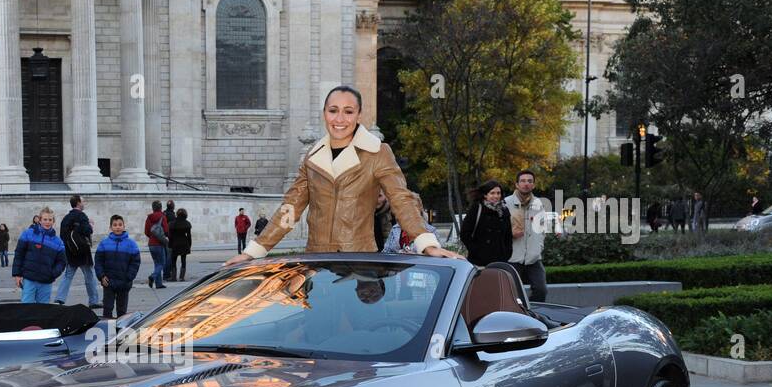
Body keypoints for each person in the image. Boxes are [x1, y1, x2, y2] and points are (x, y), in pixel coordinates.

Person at [229, 85, 461, 263]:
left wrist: (426, 243)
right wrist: (254, 251)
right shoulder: (312, 157)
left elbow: (401, 199)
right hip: (318, 261)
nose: (340, 119)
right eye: (333, 110)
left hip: (359, 263)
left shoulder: (377, 152)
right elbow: (290, 209)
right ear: (324, 114)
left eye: (348, 111)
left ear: (359, 115)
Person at [502, 169, 549, 302]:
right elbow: (498, 230)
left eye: (529, 181)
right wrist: (510, 234)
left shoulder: (539, 204)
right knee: (512, 294)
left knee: (541, 290)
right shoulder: (506, 203)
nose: (526, 184)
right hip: (513, 257)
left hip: (533, 258)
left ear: (533, 185)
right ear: (517, 184)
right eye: (522, 181)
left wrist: (539, 248)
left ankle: (535, 315)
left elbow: (542, 229)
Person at [55, 194, 101, 308]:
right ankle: (93, 301)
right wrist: (90, 224)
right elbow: (88, 231)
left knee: (68, 276)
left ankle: (59, 299)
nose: (84, 203)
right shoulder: (82, 216)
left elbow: (62, 236)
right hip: (83, 252)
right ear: (78, 203)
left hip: (71, 252)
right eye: (83, 201)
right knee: (89, 276)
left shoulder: (66, 218)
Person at [12, 206, 66, 304]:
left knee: (43, 310)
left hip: (46, 281)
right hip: (29, 279)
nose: (47, 222)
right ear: (39, 220)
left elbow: (62, 262)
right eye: (45, 219)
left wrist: (53, 274)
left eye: (50, 219)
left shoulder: (58, 242)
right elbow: (19, 254)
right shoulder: (28, 234)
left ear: (53, 221)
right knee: (26, 307)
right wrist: (17, 274)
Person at [94, 215, 141, 318]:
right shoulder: (104, 244)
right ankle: (107, 330)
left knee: (122, 311)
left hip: (124, 282)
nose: (117, 227)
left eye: (120, 225)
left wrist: (129, 277)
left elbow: (135, 262)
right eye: (115, 225)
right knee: (107, 309)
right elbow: (98, 261)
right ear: (111, 227)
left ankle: (121, 332)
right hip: (108, 282)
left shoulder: (131, 244)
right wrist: (101, 276)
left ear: (124, 226)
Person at [459, 181, 514, 267]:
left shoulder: (504, 210)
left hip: (500, 260)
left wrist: (507, 252)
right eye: (492, 193)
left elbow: (508, 234)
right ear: (485, 195)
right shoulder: (477, 208)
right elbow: (465, 233)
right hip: (479, 261)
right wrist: (476, 251)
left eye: (498, 193)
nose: (496, 196)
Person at [144, 200, 169, 289]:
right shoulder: (162, 216)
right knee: (162, 263)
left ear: (153, 208)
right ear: (161, 207)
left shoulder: (149, 218)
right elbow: (166, 230)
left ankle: (158, 284)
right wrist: (164, 237)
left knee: (156, 263)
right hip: (159, 244)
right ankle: (153, 276)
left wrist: (152, 236)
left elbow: (146, 231)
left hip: (151, 244)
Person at [168, 207, 193, 281]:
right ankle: (182, 277)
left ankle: (173, 277)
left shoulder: (172, 224)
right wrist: (189, 245)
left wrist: (170, 244)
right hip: (184, 243)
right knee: (183, 260)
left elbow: (170, 236)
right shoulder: (187, 223)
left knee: (173, 261)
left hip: (175, 243)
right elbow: (189, 236)